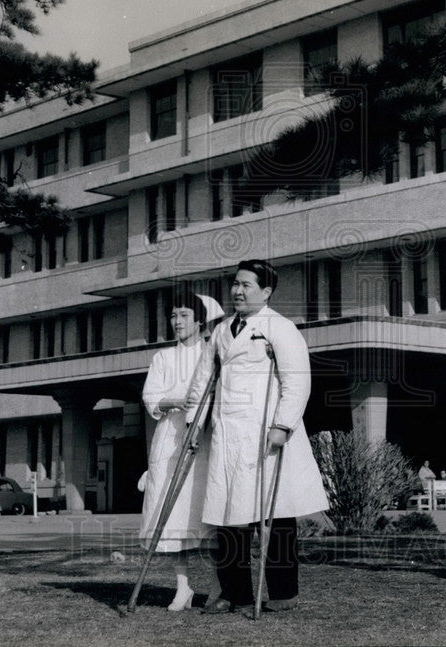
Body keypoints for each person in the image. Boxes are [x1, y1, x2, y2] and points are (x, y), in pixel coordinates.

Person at [185, 259, 328, 615]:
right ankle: (235, 594)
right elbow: (203, 381)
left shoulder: (279, 327)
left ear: (265, 291)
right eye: (235, 283)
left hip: (264, 432)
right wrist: (194, 422)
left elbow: (298, 381)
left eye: (246, 285)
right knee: (228, 514)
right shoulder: (220, 331)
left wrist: (282, 426)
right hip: (226, 433)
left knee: (274, 515)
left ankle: (282, 594)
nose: (237, 290)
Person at [139, 292, 225, 611]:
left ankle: (218, 587)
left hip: (204, 439)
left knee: (207, 513)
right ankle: (183, 587)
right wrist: (177, 401)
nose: (177, 322)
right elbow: (151, 398)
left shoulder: (213, 353)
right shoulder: (163, 358)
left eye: (184, 315)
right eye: (173, 316)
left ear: (199, 320)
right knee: (172, 514)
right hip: (170, 438)